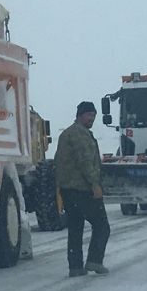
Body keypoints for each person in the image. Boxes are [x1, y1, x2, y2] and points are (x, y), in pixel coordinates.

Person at [55, 101, 109, 275]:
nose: (92, 118)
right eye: (89, 115)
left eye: (94, 115)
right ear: (80, 115)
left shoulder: (67, 134)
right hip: (82, 189)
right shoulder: (80, 134)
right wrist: (95, 184)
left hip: (68, 189)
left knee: (75, 228)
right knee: (102, 226)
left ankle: (75, 266)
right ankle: (94, 261)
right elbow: (85, 161)